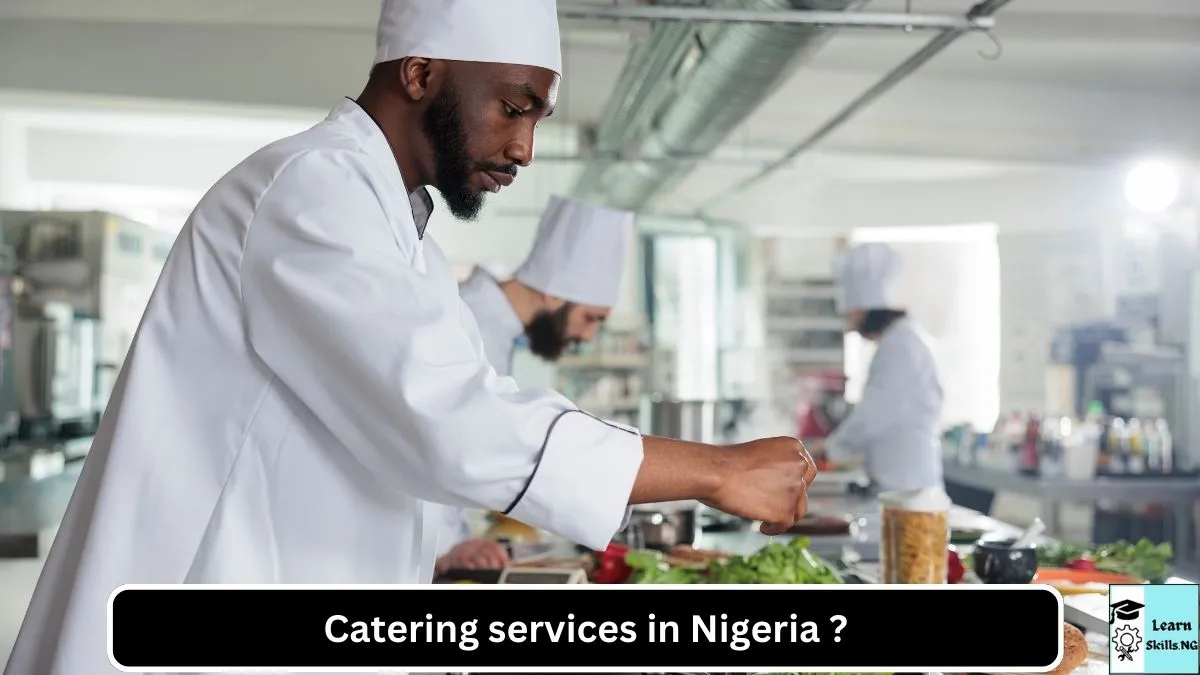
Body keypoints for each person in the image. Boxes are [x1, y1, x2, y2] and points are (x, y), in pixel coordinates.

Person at [4, 1, 816, 671]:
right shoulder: (312, 188)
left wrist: (434, 554)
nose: (525, 147)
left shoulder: (410, 240)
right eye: (513, 105)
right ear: (420, 72)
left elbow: (382, 448)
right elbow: (449, 421)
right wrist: (714, 469)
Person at [438, 195, 633, 572]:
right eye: (591, 318)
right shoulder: (467, 321)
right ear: (555, 292)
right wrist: (445, 548)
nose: (589, 336)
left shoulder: (495, 326)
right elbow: (440, 447)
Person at [811, 242, 945, 494]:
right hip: (900, 484)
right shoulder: (901, 340)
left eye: (850, 315)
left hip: (908, 488)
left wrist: (831, 448)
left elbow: (874, 413)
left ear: (867, 310)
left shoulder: (900, 347)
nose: (850, 325)